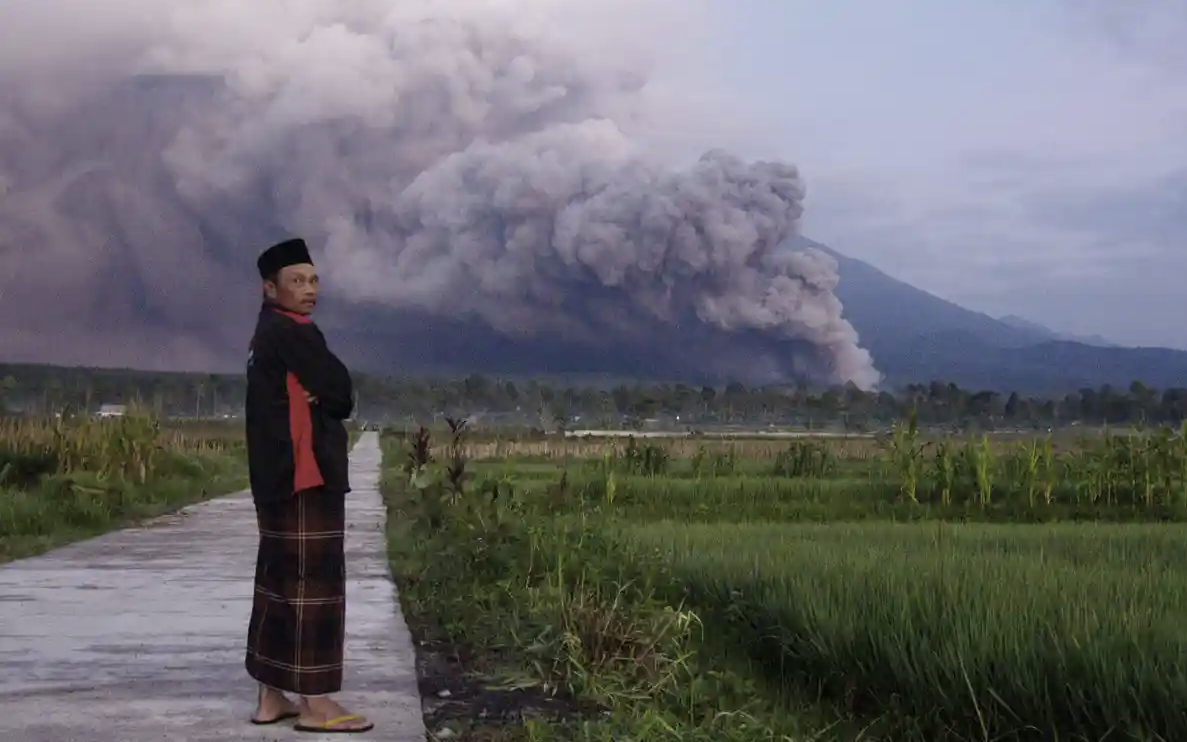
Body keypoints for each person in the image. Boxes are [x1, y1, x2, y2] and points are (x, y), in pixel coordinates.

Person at [243, 237, 373, 734]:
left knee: (278, 585)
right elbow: (341, 393)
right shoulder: (295, 334)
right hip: (305, 478)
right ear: (269, 287)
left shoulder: (263, 336)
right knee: (314, 588)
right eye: (297, 281)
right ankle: (317, 705)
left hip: (275, 481)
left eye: (314, 279)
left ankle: (271, 697)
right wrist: (327, 392)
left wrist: (323, 391)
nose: (309, 290)